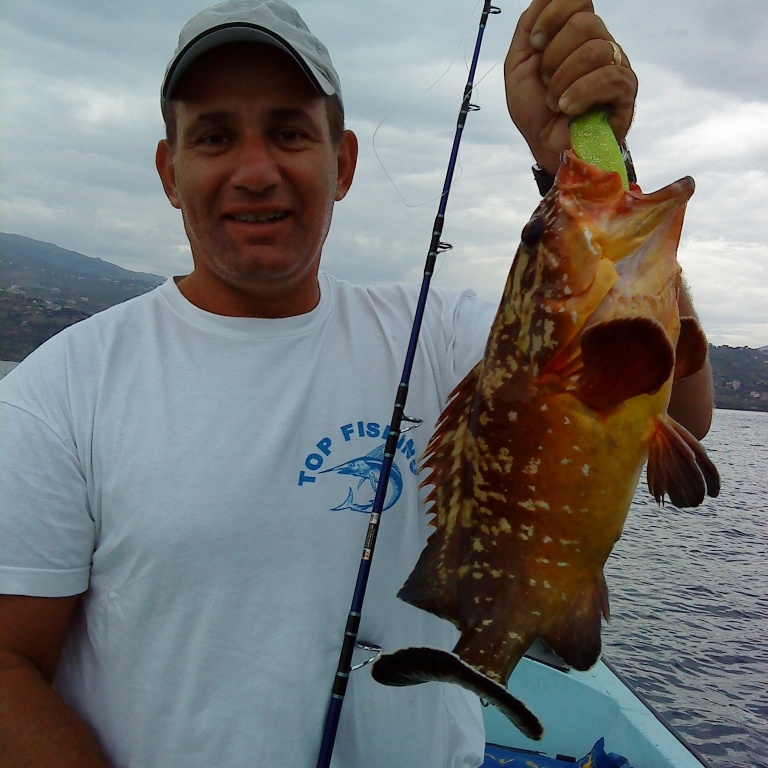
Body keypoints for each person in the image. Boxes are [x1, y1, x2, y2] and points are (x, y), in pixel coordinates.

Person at [0, 1, 713, 766]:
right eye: (213, 136)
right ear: (170, 172)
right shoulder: (59, 393)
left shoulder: (442, 338)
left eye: (288, 131)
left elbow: (686, 408)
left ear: (341, 163)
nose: (254, 170)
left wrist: (585, 156)